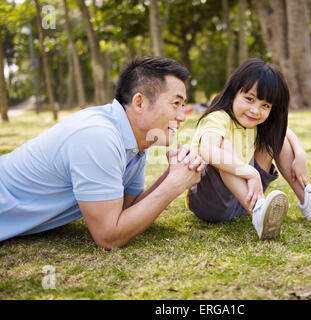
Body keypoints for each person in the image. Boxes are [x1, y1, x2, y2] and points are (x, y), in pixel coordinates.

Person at [0, 56, 205, 248]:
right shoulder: (98, 136)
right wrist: (174, 184)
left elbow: (126, 212)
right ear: (139, 103)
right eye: (175, 104)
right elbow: (108, 237)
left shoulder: (136, 143)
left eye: (183, 105)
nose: (182, 116)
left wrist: (172, 174)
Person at [186, 58, 311, 240]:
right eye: (249, 99)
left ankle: (307, 198)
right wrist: (250, 173)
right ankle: (259, 212)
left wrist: (300, 154)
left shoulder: (256, 122)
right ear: (233, 92)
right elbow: (209, 150)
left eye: (265, 105)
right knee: (225, 146)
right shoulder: (218, 118)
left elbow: (285, 132)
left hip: (242, 200)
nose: (255, 110)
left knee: (276, 137)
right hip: (208, 203)